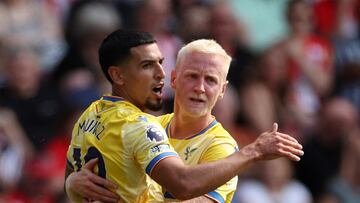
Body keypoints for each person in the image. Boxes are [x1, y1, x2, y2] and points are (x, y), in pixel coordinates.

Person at [65, 29, 304, 203]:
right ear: (174, 79)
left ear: (222, 90)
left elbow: (185, 188)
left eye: (210, 80)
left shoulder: (222, 150)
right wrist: (73, 183)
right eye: (192, 76)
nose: (200, 87)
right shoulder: (148, 126)